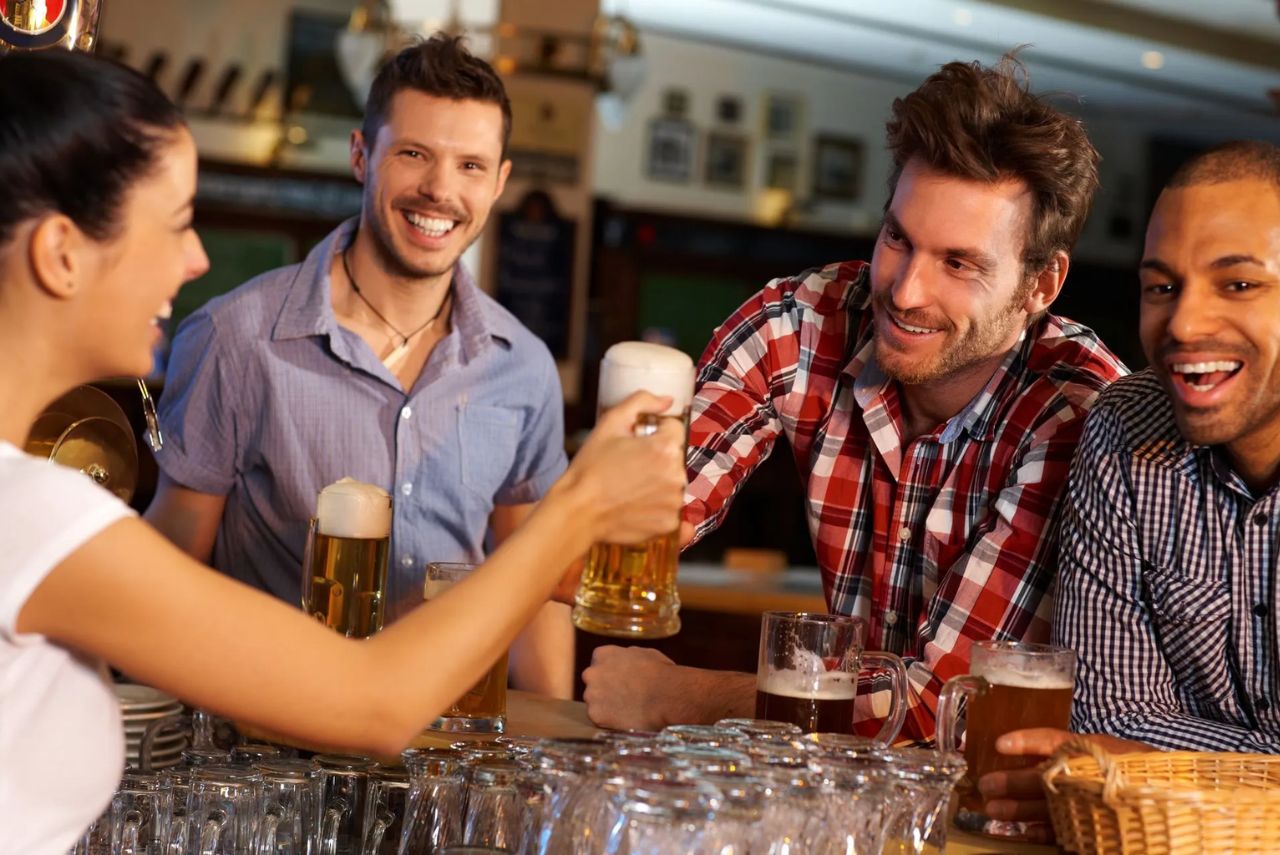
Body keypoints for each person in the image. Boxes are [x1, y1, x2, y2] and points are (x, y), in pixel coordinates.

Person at [0, 49, 685, 852]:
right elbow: (375, 699)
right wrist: (584, 506)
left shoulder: (39, 507)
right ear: (60, 252)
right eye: (177, 222)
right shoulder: (40, 513)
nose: (198, 260)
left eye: (469, 163)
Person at [582, 55, 1128, 742]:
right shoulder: (804, 321)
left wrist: (682, 694)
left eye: (958, 263)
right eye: (898, 237)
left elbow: (944, 710)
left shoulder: (1077, 412)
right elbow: (638, 517)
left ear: (1041, 286)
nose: (904, 291)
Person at [144, 35, 576, 698]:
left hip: (446, 755)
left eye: (469, 166)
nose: (439, 189)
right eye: (413, 154)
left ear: (499, 183)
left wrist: (554, 741)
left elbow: (537, 589)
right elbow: (168, 572)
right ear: (359, 155)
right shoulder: (237, 336)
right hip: (272, 747)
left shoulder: (523, 369)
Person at [980, 140, 1280, 831]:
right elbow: (1102, 716)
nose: (1183, 323)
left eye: (1237, 283)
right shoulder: (1122, 422)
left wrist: (1140, 764)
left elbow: (1113, 750)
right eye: (1162, 286)